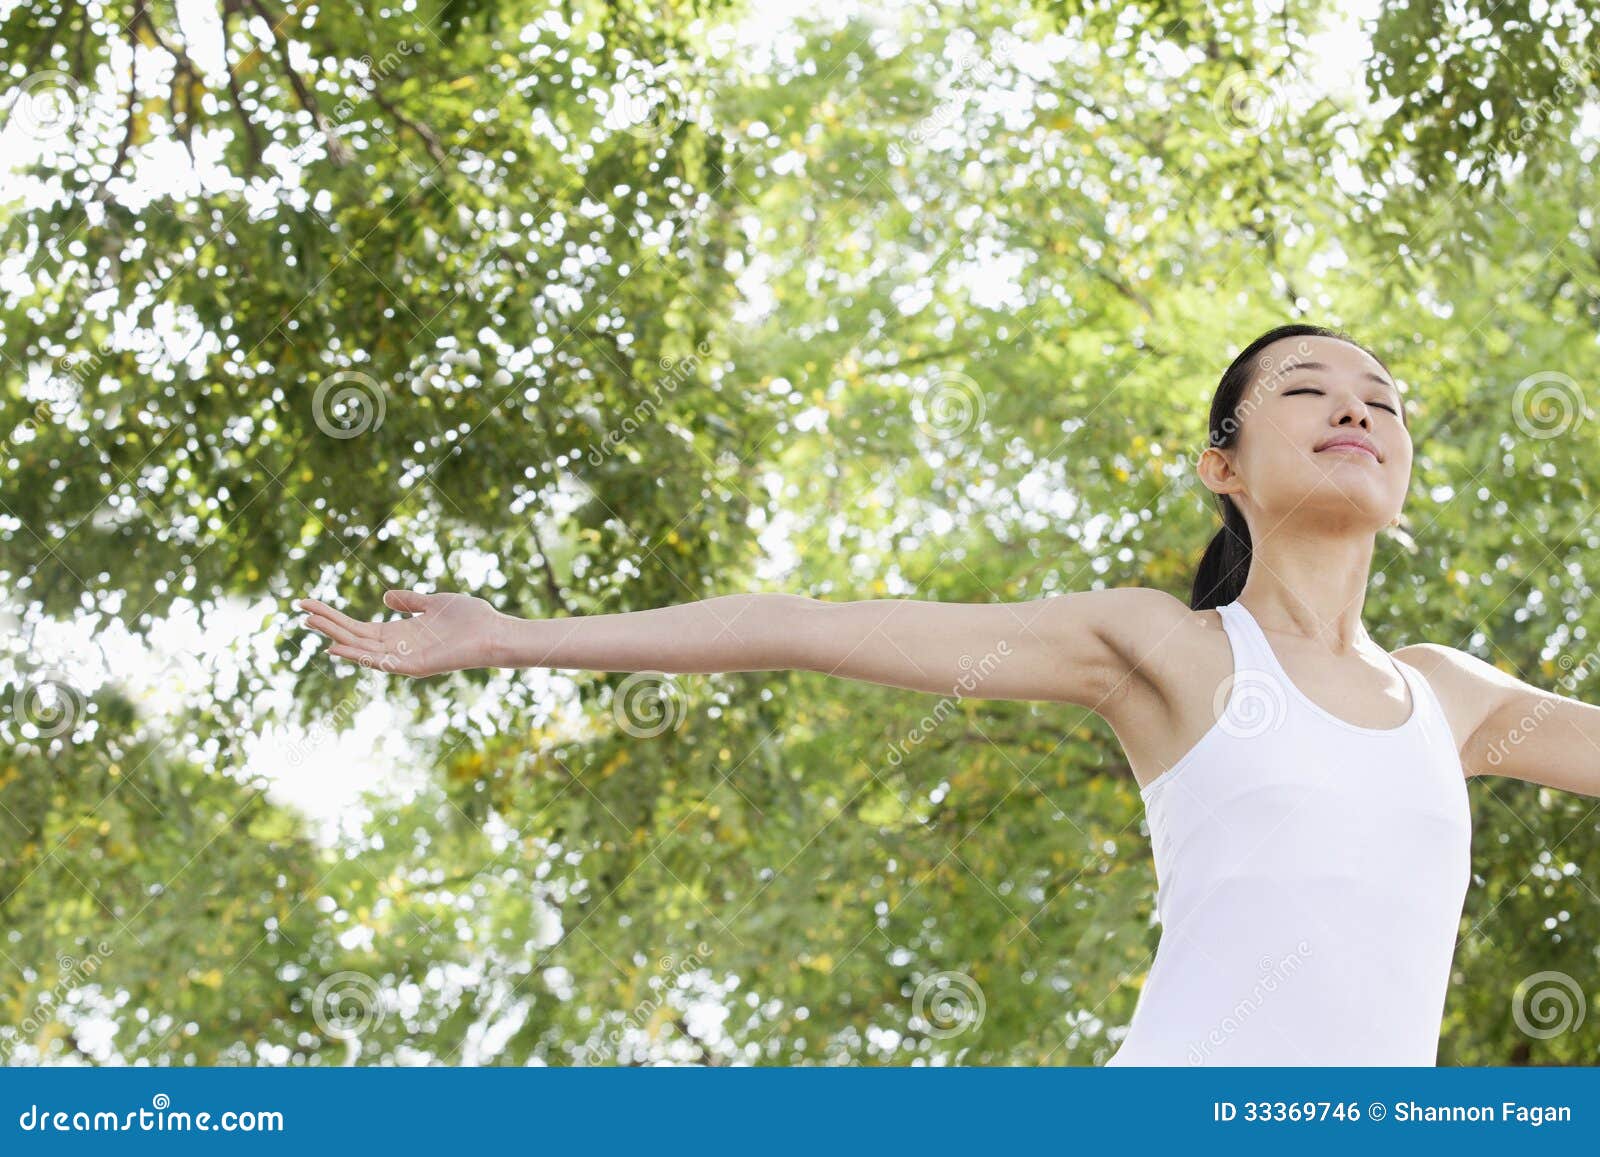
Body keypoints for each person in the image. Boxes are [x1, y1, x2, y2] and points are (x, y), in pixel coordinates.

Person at [294, 322, 1600, 1065]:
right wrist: (516, 635)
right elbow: (798, 626)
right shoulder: (1168, 648)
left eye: (1383, 401)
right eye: (1309, 390)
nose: (1357, 409)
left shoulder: (1451, 696)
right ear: (1225, 464)